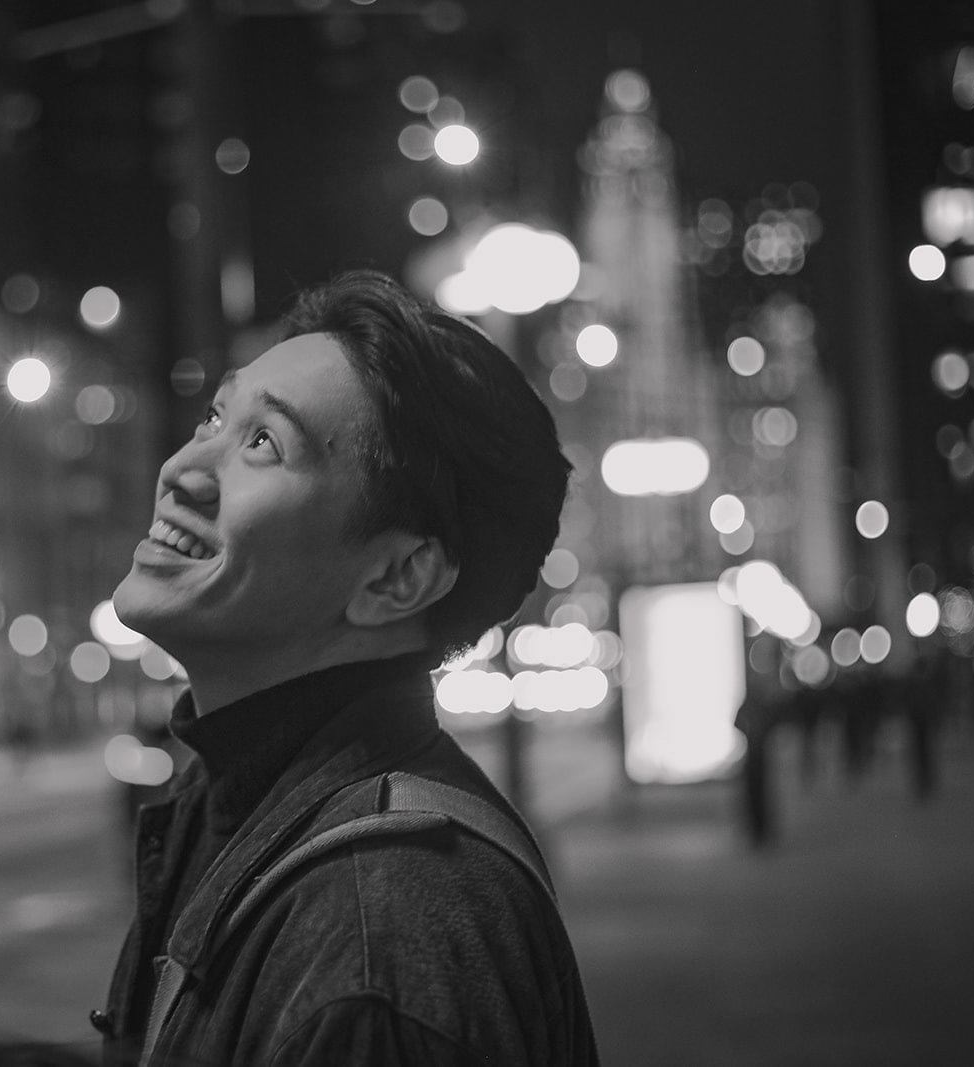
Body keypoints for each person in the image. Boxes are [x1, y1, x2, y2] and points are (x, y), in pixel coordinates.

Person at [94, 269, 599, 1066]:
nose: (183, 471)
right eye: (215, 417)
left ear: (397, 577)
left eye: (264, 443)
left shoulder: (383, 939)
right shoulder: (230, 803)